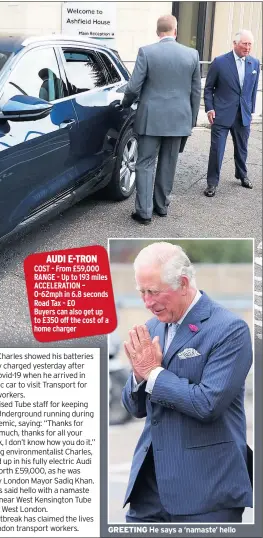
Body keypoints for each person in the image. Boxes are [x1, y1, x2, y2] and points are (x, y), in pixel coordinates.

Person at [121, 242, 253, 522]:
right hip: (149, 491)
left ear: (182, 283)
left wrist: (153, 373)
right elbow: (136, 408)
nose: (146, 302)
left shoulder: (230, 329)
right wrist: (137, 376)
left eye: (153, 292)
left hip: (206, 491)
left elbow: (208, 403)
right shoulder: (152, 327)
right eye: (141, 292)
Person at [121, 14, 201, 224]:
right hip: (179, 120)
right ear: (175, 31)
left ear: (158, 32)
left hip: (151, 120)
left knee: (145, 163)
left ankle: (144, 213)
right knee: (169, 163)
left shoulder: (146, 52)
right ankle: (161, 206)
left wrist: (125, 104)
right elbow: (195, 92)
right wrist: (191, 120)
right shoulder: (192, 55)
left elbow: (132, 87)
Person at [203, 30, 260, 197]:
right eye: (244, 44)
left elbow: (253, 90)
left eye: (250, 44)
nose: (247, 47)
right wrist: (209, 108)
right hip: (221, 114)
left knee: (242, 148)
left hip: (243, 114)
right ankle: (212, 183)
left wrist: (251, 111)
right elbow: (208, 88)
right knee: (217, 150)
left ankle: (242, 174)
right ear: (235, 44)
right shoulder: (220, 62)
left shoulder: (255, 63)